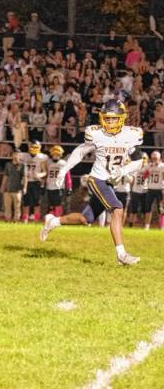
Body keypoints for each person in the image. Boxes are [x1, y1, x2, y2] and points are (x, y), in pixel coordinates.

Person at [40, 100, 144, 265]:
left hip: (111, 183)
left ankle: (53, 221)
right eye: (107, 119)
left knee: (85, 219)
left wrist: (123, 171)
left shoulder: (131, 135)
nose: (110, 122)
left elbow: (139, 161)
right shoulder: (97, 133)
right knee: (117, 209)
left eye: (113, 119)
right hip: (97, 179)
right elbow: (80, 151)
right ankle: (121, 254)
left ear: (122, 118)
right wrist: (64, 169)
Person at [19, 140, 48, 223]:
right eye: (32, 146)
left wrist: (39, 175)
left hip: (36, 181)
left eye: (36, 147)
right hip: (26, 181)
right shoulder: (24, 156)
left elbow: (45, 171)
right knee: (26, 201)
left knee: (36, 201)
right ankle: (25, 218)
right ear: (29, 147)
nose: (34, 149)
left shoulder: (41, 157)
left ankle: (36, 218)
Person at [0, 150, 27, 222]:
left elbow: (25, 177)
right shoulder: (8, 165)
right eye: (14, 154)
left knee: (17, 206)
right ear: (12, 155)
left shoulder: (22, 165)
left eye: (17, 154)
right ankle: (7, 219)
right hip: (8, 188)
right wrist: (2, 186)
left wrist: (24, 187)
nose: (15, 156)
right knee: (7, 206)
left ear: (20, 156)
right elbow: (5, 176)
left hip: (17, 189)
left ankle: (16, 220)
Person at [45, 145, 71, 217]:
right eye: (54, 154)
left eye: (57, 154)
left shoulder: (63, 163)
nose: (55, 156)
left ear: (60, 155)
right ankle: (51, 218)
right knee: (50, 203)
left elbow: (67, 176)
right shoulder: (48, 162)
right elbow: (46, 172)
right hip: (49, 186)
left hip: (59, 187)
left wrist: (69, 187)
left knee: (58, 203)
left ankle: (58, 217)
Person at [143, 150, 164, 230]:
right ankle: (147, 226)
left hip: (160, 189)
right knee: (148, 208)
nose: (155, 160)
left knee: (161, 208)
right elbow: (144, 177)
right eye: (153, 158)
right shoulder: (148, 166)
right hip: (150, 188)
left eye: (156, 158)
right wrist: (149, 171)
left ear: (159, 158)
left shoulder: (162, 166)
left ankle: (162, 226)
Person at [127, 153, 149, 227]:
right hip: (135, 190)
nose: (143, 160)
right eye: (142, 158)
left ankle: (145, 225)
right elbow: (132, 180)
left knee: (145, 210)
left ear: (147, 159)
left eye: (145, 158)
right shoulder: (136, 167)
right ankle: (131, 225)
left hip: (145, 190)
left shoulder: (149, 167)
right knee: (133, 210)